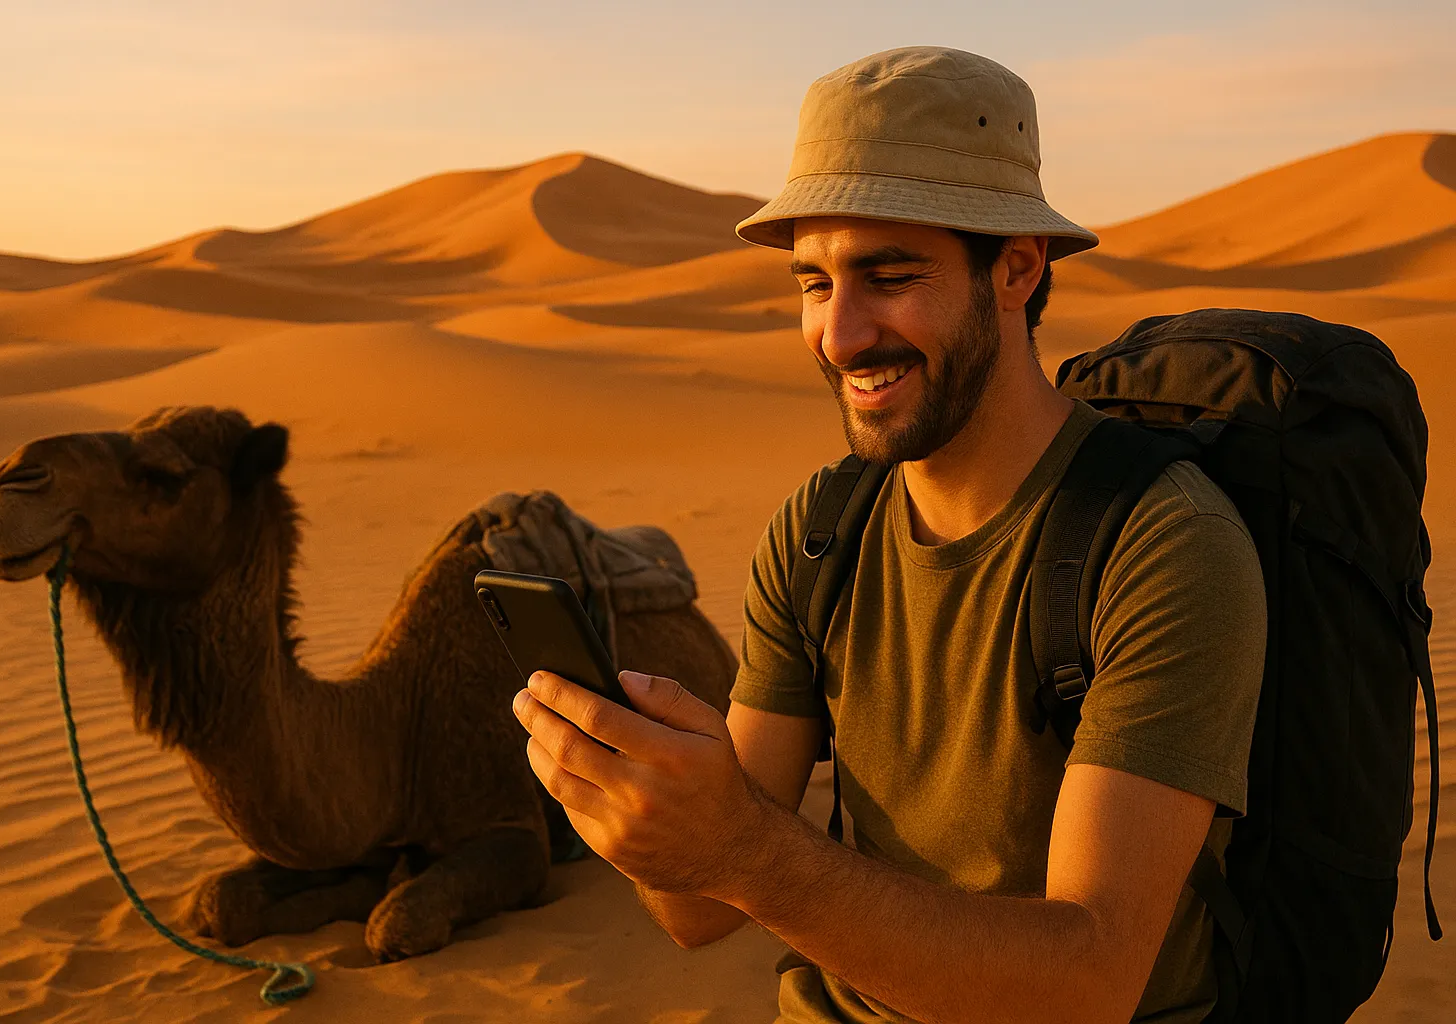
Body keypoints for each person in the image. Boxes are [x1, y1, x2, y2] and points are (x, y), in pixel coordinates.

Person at [511, 46, 1266, 1024]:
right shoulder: (822, 533)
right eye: (815, 284)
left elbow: (1088, 983)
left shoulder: (1163, 545)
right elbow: (694, 909)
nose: (840, 333)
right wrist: (638, 805)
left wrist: (742, 843)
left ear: (1017, 269)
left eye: (889, 275)